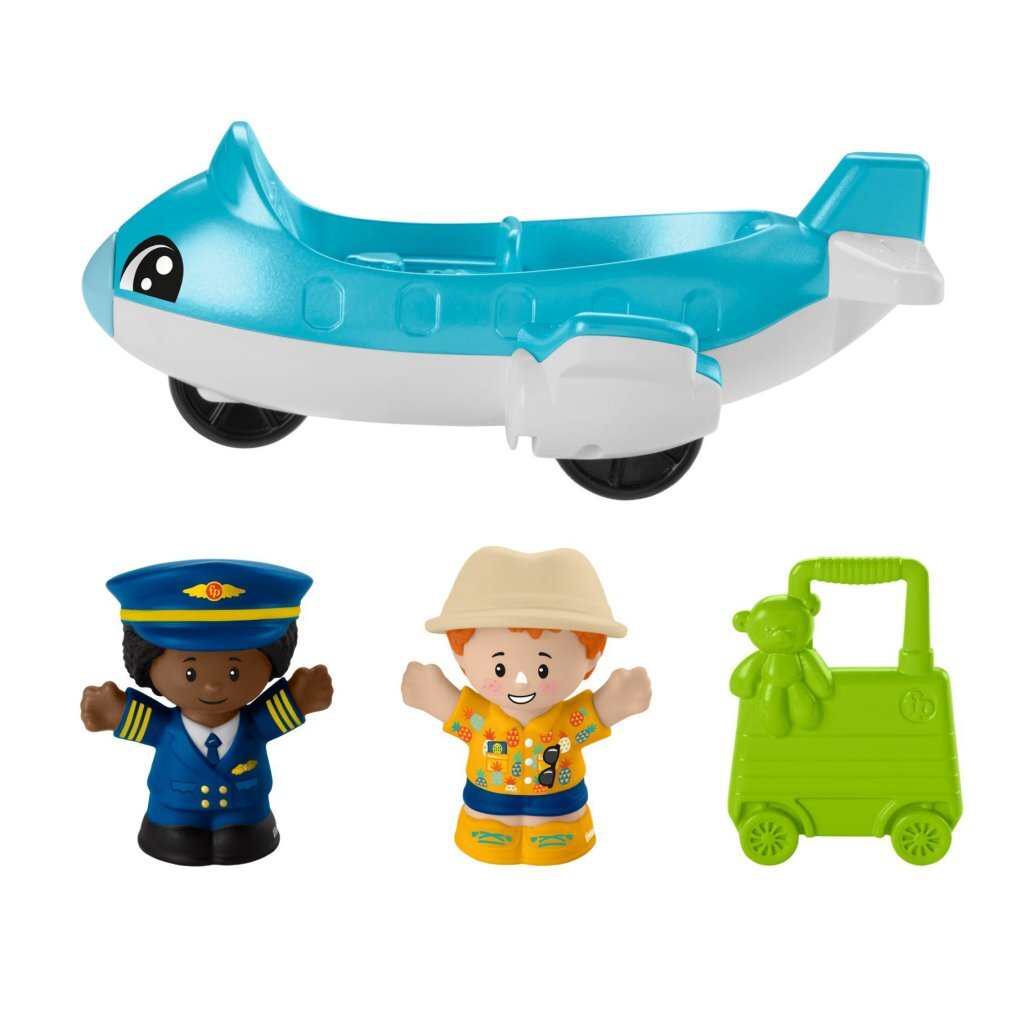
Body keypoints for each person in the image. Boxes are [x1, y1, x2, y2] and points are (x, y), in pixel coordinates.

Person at [403, 546, 651, 865]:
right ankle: (491, 833)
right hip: (487, 804)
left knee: (557, 834)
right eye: (500, 668)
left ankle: (555, 835)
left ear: (592, 656)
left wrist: (618, 700)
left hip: (559, 806)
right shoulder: (480, 717)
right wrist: (431, 692)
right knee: (488, 831)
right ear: (460, 655)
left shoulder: (570, 719)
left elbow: (598, 712)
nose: (521, 682)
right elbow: (450, 707)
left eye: (543, 669)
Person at [81, 559, 332, 866]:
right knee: (175, 837)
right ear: (147, 667)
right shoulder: (168, 729)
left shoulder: (252, 725)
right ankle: (175, 830)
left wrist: (300, 699)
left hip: (247, 810)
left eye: (234, 672)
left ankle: (240, 829)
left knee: (242, 838)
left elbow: (275, 715)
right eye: (190, 673)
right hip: (172, 810)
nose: (213, 686)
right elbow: (144, 721)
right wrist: (115, 712)